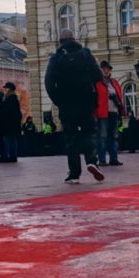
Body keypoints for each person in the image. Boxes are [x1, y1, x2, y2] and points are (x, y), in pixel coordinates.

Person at [44, 29, 105, 184]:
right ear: (74, 39)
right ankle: (92, 161)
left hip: (66, 103)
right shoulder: (85, 54)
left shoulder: (56, 58)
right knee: (88, 132)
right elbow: (98, 76)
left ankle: (74, 174)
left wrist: (58, 100)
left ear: (60, 41)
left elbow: (49, 83)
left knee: (70, 137)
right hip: (86, 100)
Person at [94, 61, 126, 166]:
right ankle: (102, 160)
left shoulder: (114, 82)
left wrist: (120, 108)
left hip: (114, 112)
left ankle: (114, 158)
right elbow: (94, 99)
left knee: (114, 136)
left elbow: (120, 97)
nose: (106, 71)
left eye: (108, 69)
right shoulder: (97, 83)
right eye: (104, 69)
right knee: (102, 136)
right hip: (102, 113)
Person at [0, 82, 22, 163]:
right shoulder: (14, 98)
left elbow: (4, 110)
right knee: (13, 139)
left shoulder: (10, 99)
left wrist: (0, 105)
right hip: (13, 124)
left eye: (6, 88)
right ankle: (13, 156)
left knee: (7, 139)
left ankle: (7, 156)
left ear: (9, 89)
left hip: (8, 124)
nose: (4, 90)